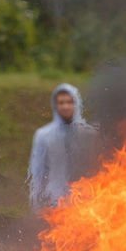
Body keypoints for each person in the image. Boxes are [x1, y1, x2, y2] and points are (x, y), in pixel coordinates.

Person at [27, 83, 98, 213]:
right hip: (54, 203)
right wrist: (37, 204)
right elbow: (38, 172)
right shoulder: (43, 135)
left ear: (77, 104)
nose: (65, 106)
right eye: (61, 102)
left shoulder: (90, 134)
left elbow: (98, 167)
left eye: (70, 102)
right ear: (55, 105)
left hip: (84, 203)